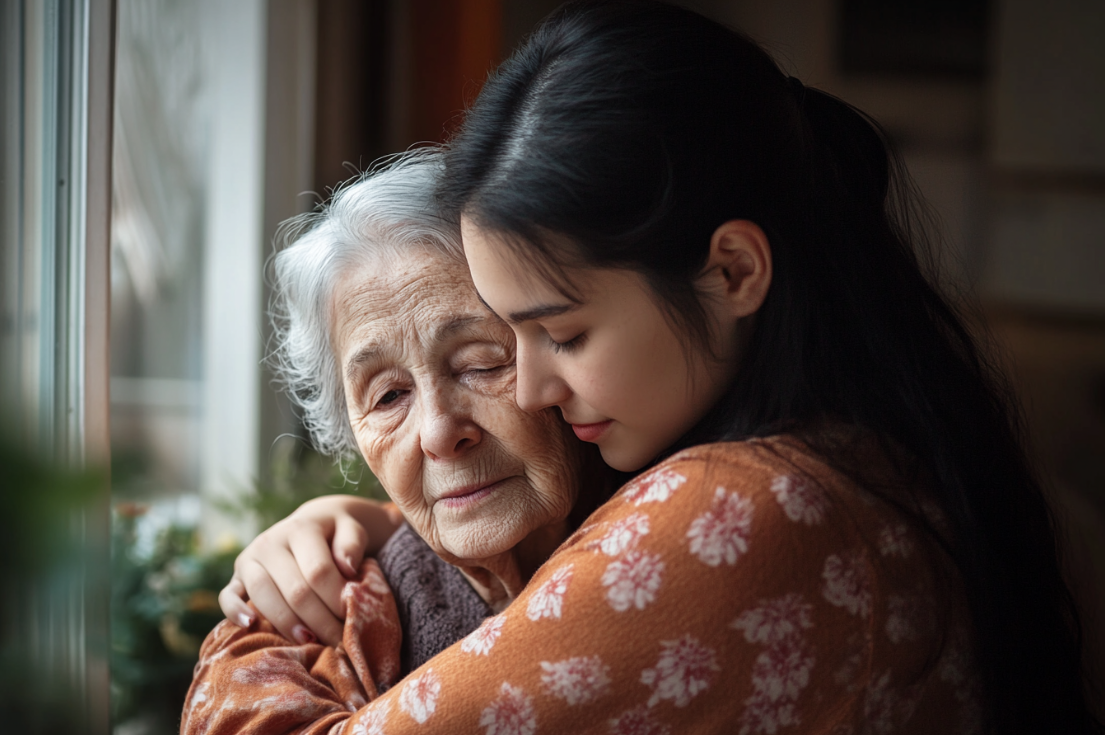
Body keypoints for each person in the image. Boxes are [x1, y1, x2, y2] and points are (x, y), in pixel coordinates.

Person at [191, 2, 1099, 733]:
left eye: (531, 343)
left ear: (734, 272)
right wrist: (372, 525)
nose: (536, 384)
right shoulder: (846, 448)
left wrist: (253, 631)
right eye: (384, 394)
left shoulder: (745, 511)